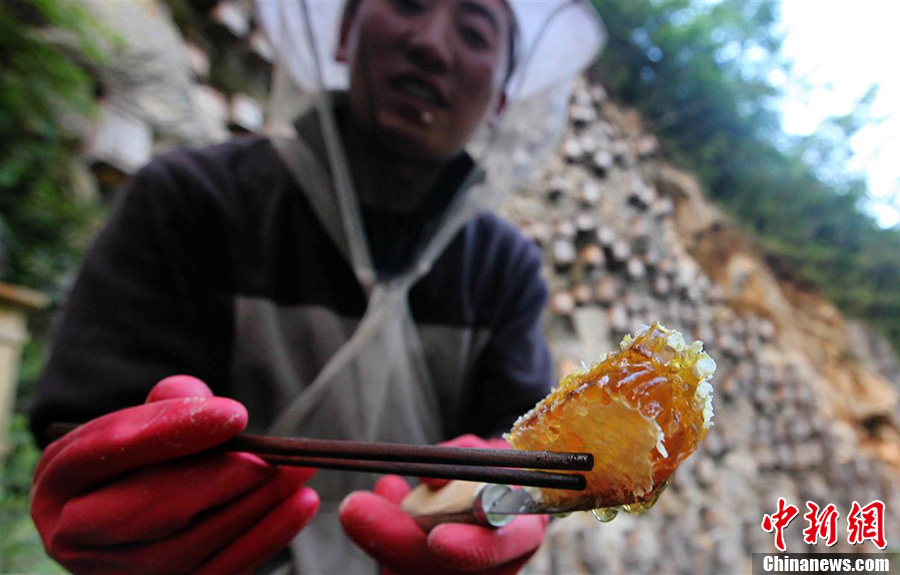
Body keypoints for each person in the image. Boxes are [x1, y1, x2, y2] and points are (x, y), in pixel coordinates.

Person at [29, 0, 604, 573]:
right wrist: (108, 492)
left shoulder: (505, 269)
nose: (431, 44)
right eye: (407, 4)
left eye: (475, 33)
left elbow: (525, 443)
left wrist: (514, 496)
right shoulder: (193, 200)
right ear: (345, 32)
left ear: (502, 100)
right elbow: (85, 421)